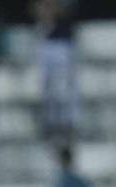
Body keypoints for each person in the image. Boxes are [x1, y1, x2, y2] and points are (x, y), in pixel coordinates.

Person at [33, 0, 79, 140]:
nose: (44, 12)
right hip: (47, 72)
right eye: (42, 8)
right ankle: (51, 124)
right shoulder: (39, 29)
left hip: (62, 63)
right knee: (47, 91)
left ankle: (68, 124)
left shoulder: (65, 28)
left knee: (64, 90)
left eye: (48, 8)